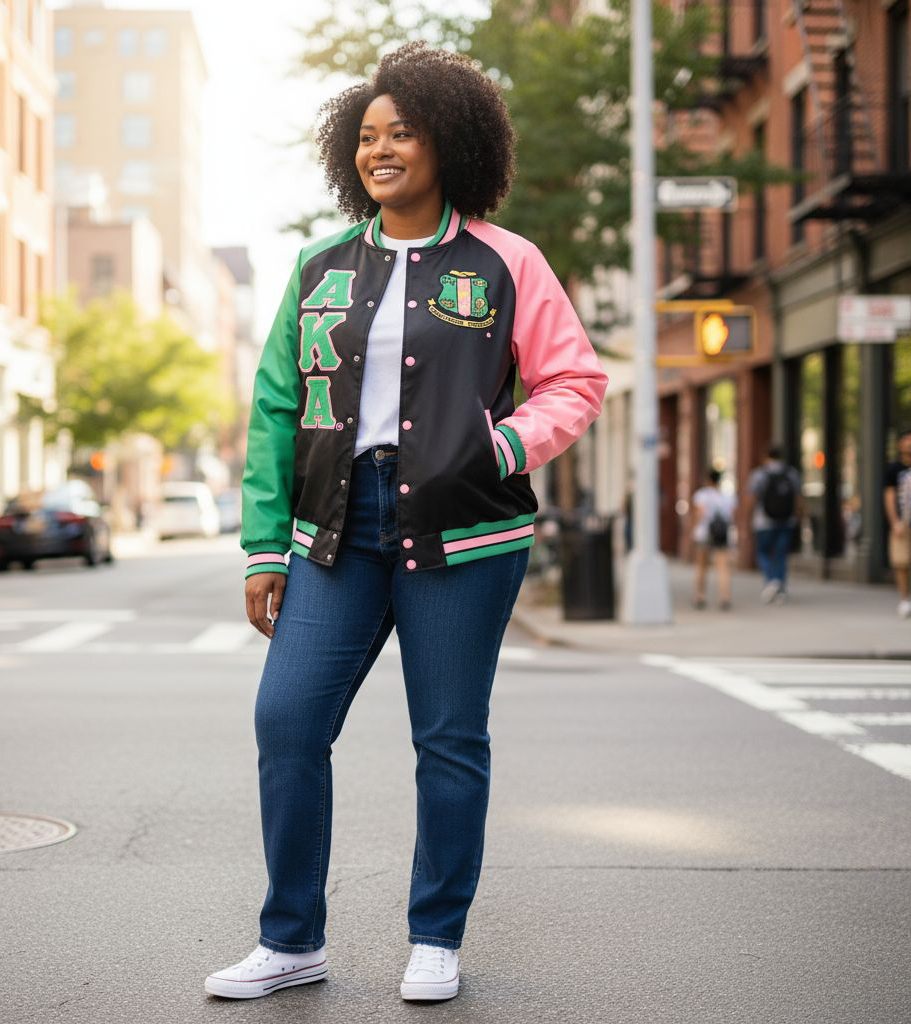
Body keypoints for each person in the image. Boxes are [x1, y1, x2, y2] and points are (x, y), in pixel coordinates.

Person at [204, 45, 607, 1004]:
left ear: (449, 141)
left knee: (449, 738)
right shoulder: (317, 265)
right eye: (368, 137)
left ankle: (437, 936)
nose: (381, 150)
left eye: (403, 132)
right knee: (287, 720)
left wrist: (501, 447)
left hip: (466, 534)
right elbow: (272, 410)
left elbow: (575, 382)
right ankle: (291, 937)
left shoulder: (510, 261)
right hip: (339, 528)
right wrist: (265, 545)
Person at [746, 443, 802, 604]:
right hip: (786, 520)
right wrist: (799, 516)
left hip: (763, 521)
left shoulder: (759, 474)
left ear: (765, 456)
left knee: (763, 552)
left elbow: (751, 498)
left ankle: (771, 581)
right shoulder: (791, 473)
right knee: (781, 555)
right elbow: (798, 498)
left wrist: (746, 519)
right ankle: (780, 587)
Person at [690, 467, 736, 610]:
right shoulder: (728, 497)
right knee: (723, 567)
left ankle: (700, 596)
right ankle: (724, 597)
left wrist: (692, 530)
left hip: (704, 534)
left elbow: (699, 514)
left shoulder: (702, 495)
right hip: (721, 535)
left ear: (707, 480)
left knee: (702, 567)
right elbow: (732, 516)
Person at [884, 428, 911, 619]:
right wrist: (894, 521)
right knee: (901, 562)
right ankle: (904, 599)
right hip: (902, 523)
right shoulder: (894, 469)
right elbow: (889, 496)